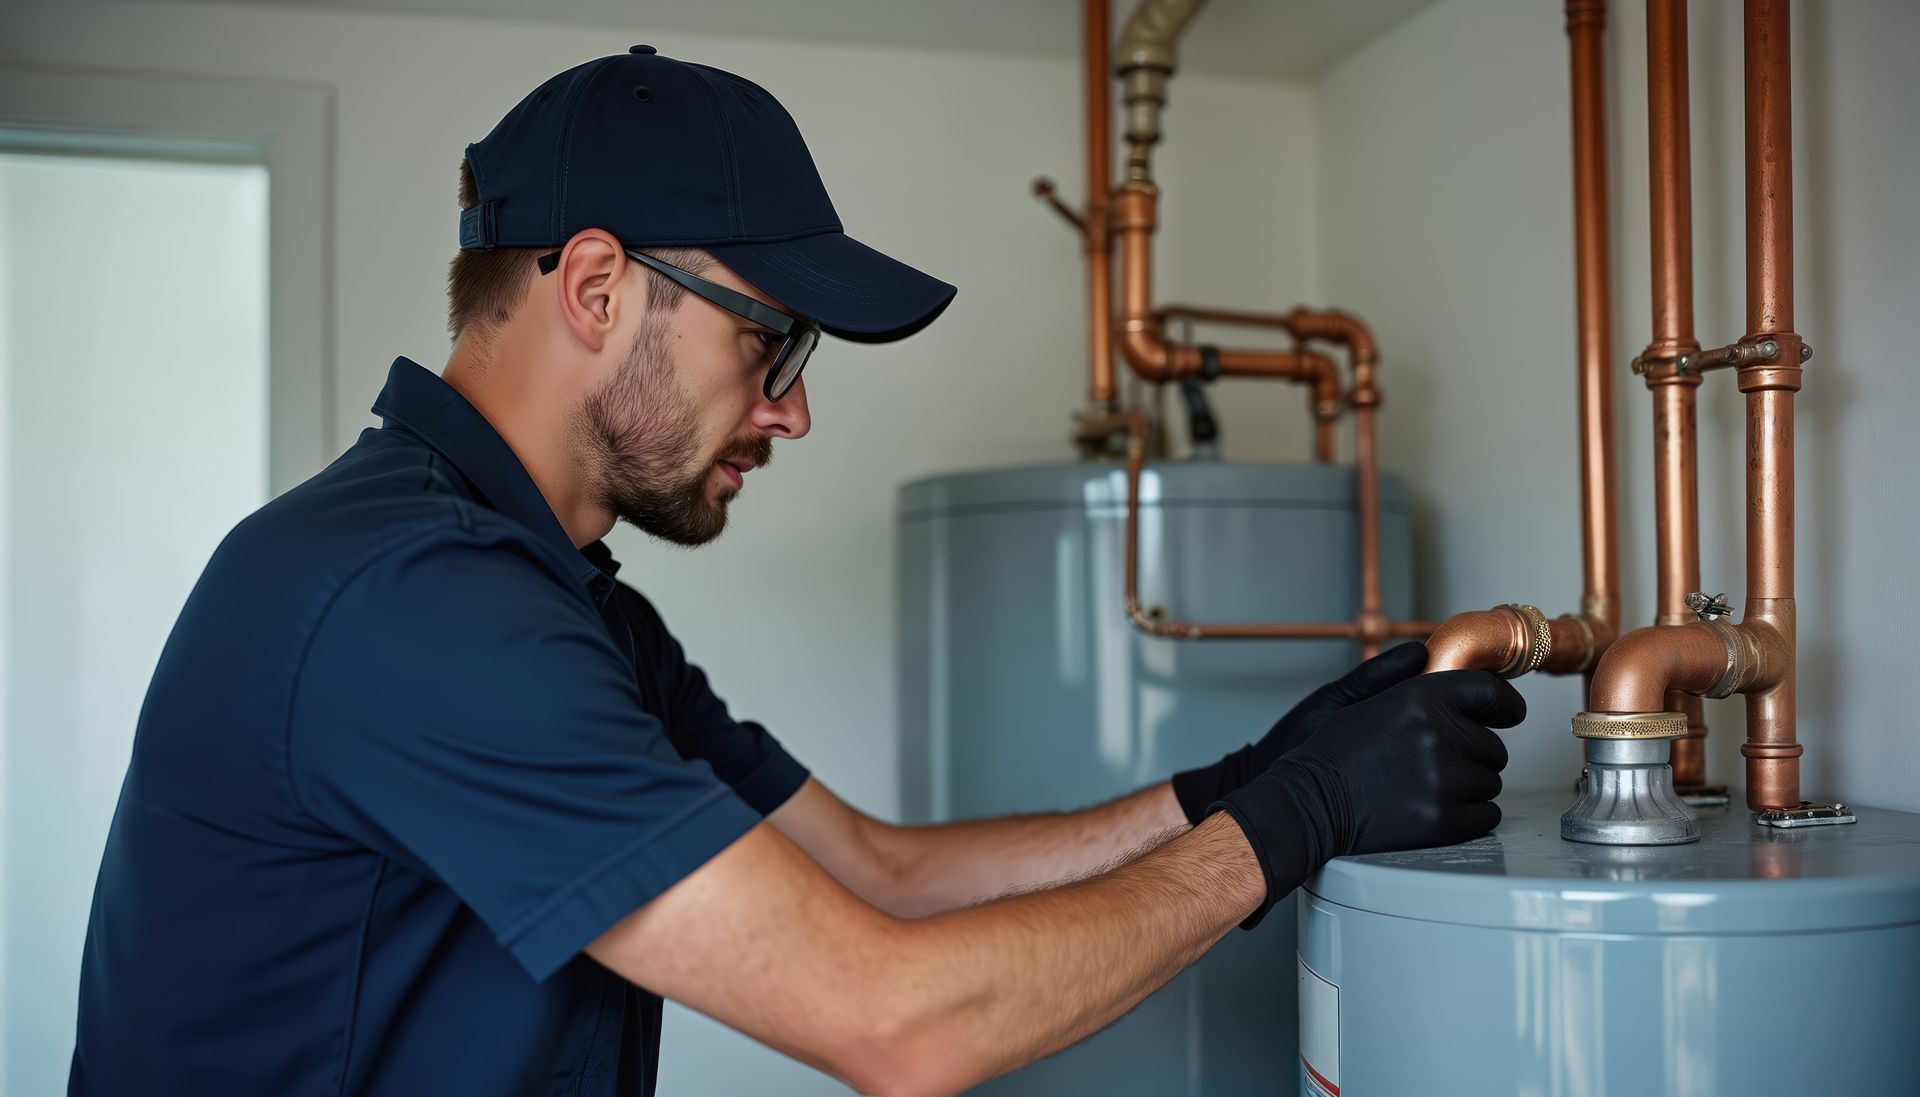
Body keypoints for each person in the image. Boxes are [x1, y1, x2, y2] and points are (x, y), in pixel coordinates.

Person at [68, 46, 1516, 1097]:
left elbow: (880, 873)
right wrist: (1294, 824)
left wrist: (1237, 781)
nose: (793, 407)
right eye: (772, 341)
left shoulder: (559, 602)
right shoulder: (413, 606)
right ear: (593, 286)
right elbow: (894, 1020)